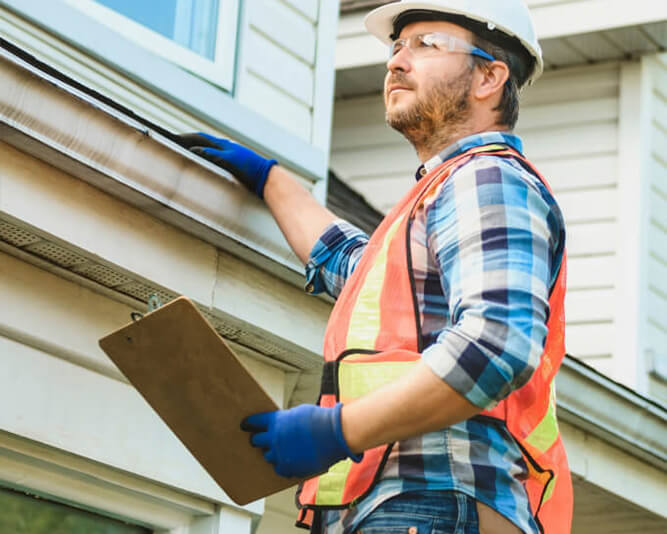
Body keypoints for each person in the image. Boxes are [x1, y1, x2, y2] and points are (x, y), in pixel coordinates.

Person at [178, 1, 573, 533]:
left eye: (426, 44)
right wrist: (272, 181)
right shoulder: (441, 194)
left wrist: (335, 430)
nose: (396, 61)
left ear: (489, 77)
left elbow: (495, 342)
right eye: (396, 46)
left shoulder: (485, 178)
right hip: (410, 506)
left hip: (432, 501)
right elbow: (356, 269)